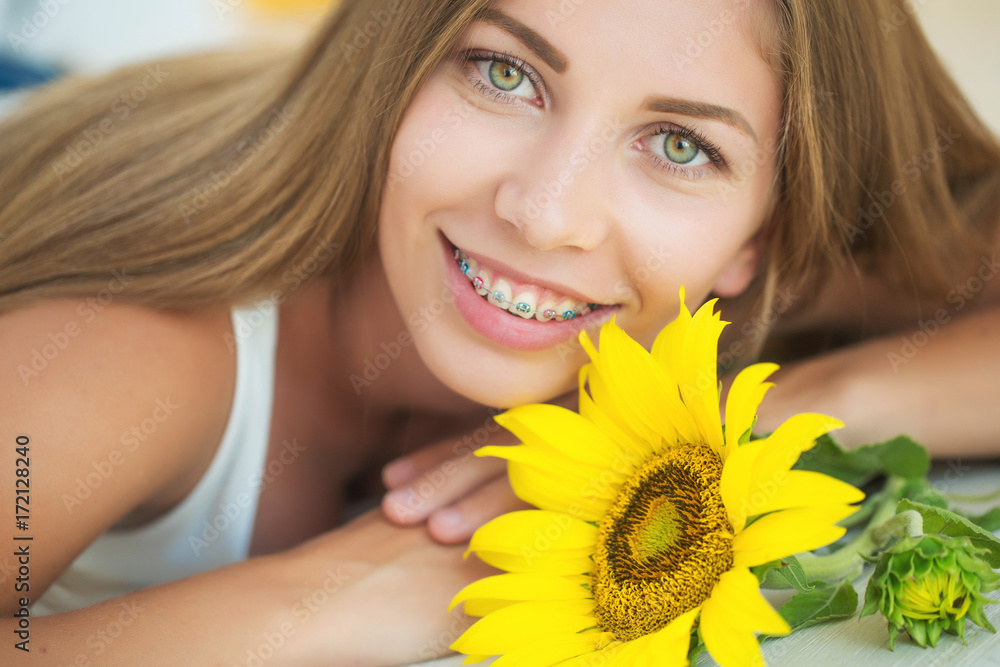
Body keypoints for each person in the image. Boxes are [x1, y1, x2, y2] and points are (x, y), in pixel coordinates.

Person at [1, 0, 998, 663]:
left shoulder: (742, 295)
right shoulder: (132, 341)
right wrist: (347, 587)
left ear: (759, 239)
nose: (544, 213)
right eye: (504, 75)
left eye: (679, 145)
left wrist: (790, 408)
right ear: (393, 73)